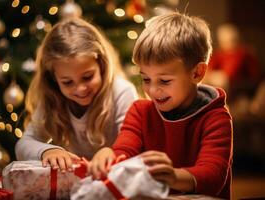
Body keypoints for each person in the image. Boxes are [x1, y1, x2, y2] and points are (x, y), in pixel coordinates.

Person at [89, 12, 233, 199]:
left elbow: (213, 177)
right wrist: (108, 154)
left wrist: (172, 176)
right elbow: (124, 151)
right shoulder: (140, 112)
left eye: (164, 81)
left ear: (197, 73)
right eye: (146, 79)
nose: (153, 90)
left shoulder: (216, 118)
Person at [15, 17, 138, 172]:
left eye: (88, 77)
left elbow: (135, 145)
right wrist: (47, 151)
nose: (80, 89)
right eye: (67, 82)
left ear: (101, 65)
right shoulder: (53, 97)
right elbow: (23, 144)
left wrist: (112, 152)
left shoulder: (122, 92)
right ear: (53, 79)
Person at [205, 23, 261, 103]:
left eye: (230, 41)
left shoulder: (245, 54)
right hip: (222, 85)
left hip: (239, 88)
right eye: (224, 42)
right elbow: (209, 68)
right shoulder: (220, 54)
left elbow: (255, 77)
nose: (227, 44)